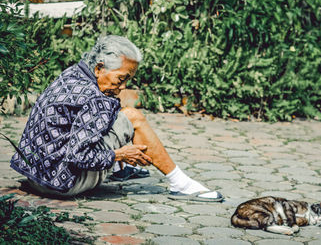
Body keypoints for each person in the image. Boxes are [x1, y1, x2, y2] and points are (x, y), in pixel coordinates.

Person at [10, 35, 223, 202]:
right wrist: (118, 155)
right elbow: (78, 157)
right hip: (62, 184)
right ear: (99, 67)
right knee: (133, 117)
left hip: (35, 175)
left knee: (112, 117)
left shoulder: (73, 73)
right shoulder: (96, 98)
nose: (123, 88)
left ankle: (121, 172)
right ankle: (182, 184)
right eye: (121, 79)